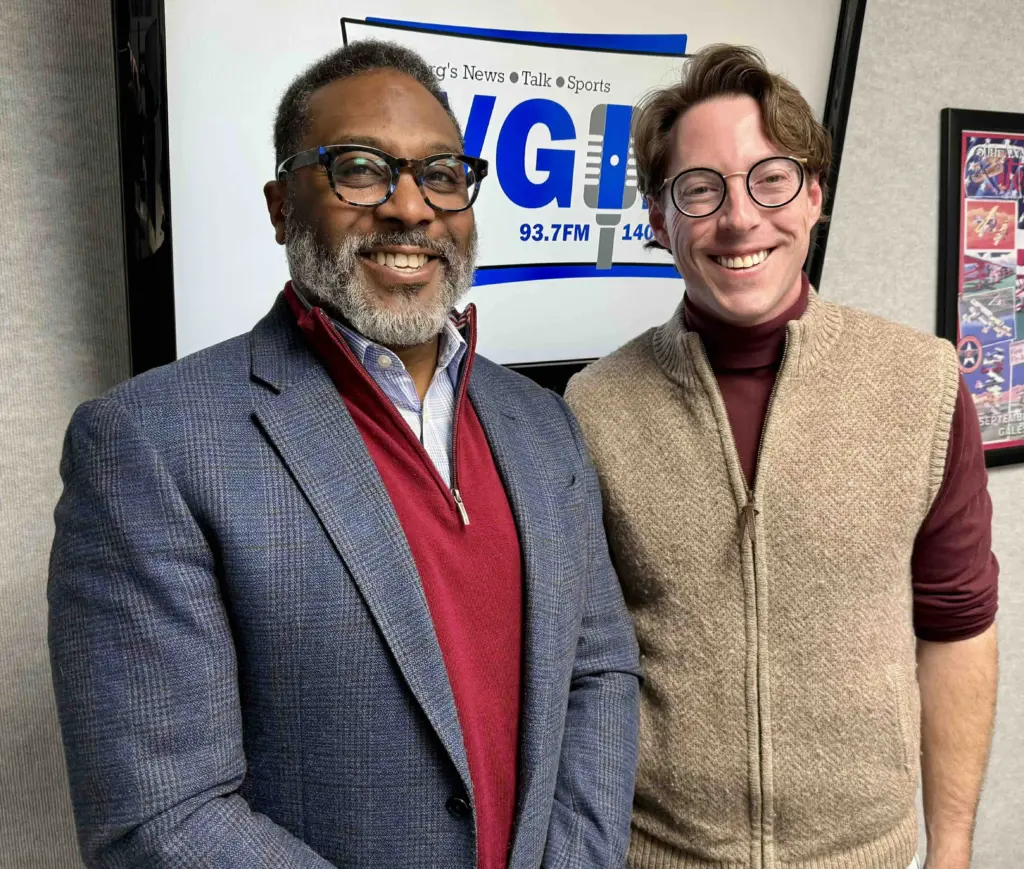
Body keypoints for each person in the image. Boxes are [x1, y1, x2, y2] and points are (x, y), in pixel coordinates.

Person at [48, 40, 641, 869]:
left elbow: (599, 672)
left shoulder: (545, 426)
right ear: (281, 205)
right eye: (360, 169)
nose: (410, 208)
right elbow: (159, 817)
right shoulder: (149, 445)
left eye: (441, 173)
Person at [565, 44, 998, 869]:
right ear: (659, 220)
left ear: (814, 198)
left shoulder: (923, 382)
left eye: (772, 177)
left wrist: (953, 850)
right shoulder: (595, 407)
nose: (739, 217)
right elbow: (582, 668)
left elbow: (959, 629)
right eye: (700, 189)